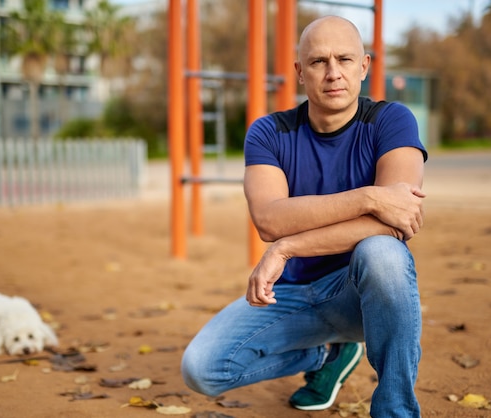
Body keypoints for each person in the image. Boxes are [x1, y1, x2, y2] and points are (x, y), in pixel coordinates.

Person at [181, 15, 427, 417]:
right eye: (318, 62)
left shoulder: (390, 120)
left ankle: (395, 411)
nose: (333, 73)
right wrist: (370, 197)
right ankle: (326, 355)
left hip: (360, 296)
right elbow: (270, 219)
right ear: (299, 71)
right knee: (202, 369)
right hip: (293, 295)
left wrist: (289, 247)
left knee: (382, 253)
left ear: (364, 67)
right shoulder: (268, 132)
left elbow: (396, 221)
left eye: (345, 60)